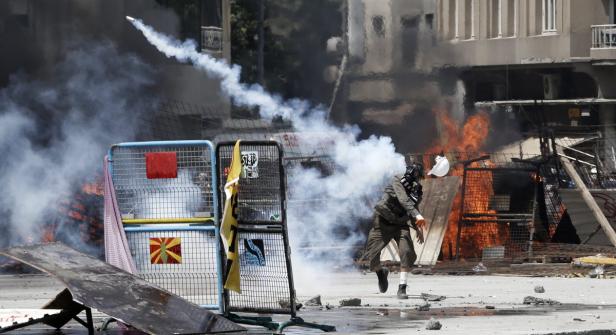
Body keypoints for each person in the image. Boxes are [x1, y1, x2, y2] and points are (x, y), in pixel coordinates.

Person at [363, 163, 426, 299]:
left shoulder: (416, 191)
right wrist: (417, 215)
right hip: (383, 222)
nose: (416, 178)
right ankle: (381, 273)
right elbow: (403, 200)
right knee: (371, 259)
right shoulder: (397, 179)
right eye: (415, 174)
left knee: (406, 252)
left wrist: (417, 228)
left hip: (400, 224)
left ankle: (402, 287)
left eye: (418, 176)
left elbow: (412, 208)